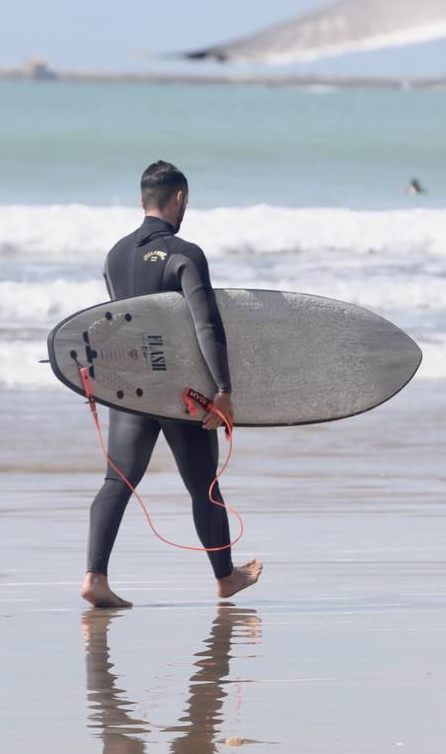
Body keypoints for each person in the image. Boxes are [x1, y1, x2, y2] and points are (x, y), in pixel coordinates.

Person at [81, 161, 263, 608]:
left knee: (116, 481)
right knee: (203, 486)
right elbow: (206, 324)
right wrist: (223, 389)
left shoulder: (115, 255)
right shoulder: (186, 253)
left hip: (130, 387)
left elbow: (117, 324)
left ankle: (94, 577)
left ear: (143, 200)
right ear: (179, 198)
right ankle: (225, 577)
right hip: (181, 393)